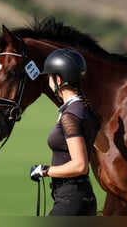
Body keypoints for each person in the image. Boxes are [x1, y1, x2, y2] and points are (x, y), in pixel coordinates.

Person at [30, 48, 101, 216]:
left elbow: (80, 165)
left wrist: (44, 170)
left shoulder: (70, 116)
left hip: (70, 201)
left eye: (49, 77)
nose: (48, 81)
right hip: (85, 198)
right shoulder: (86, 109)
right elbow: (103, 146)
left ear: (58, 79)